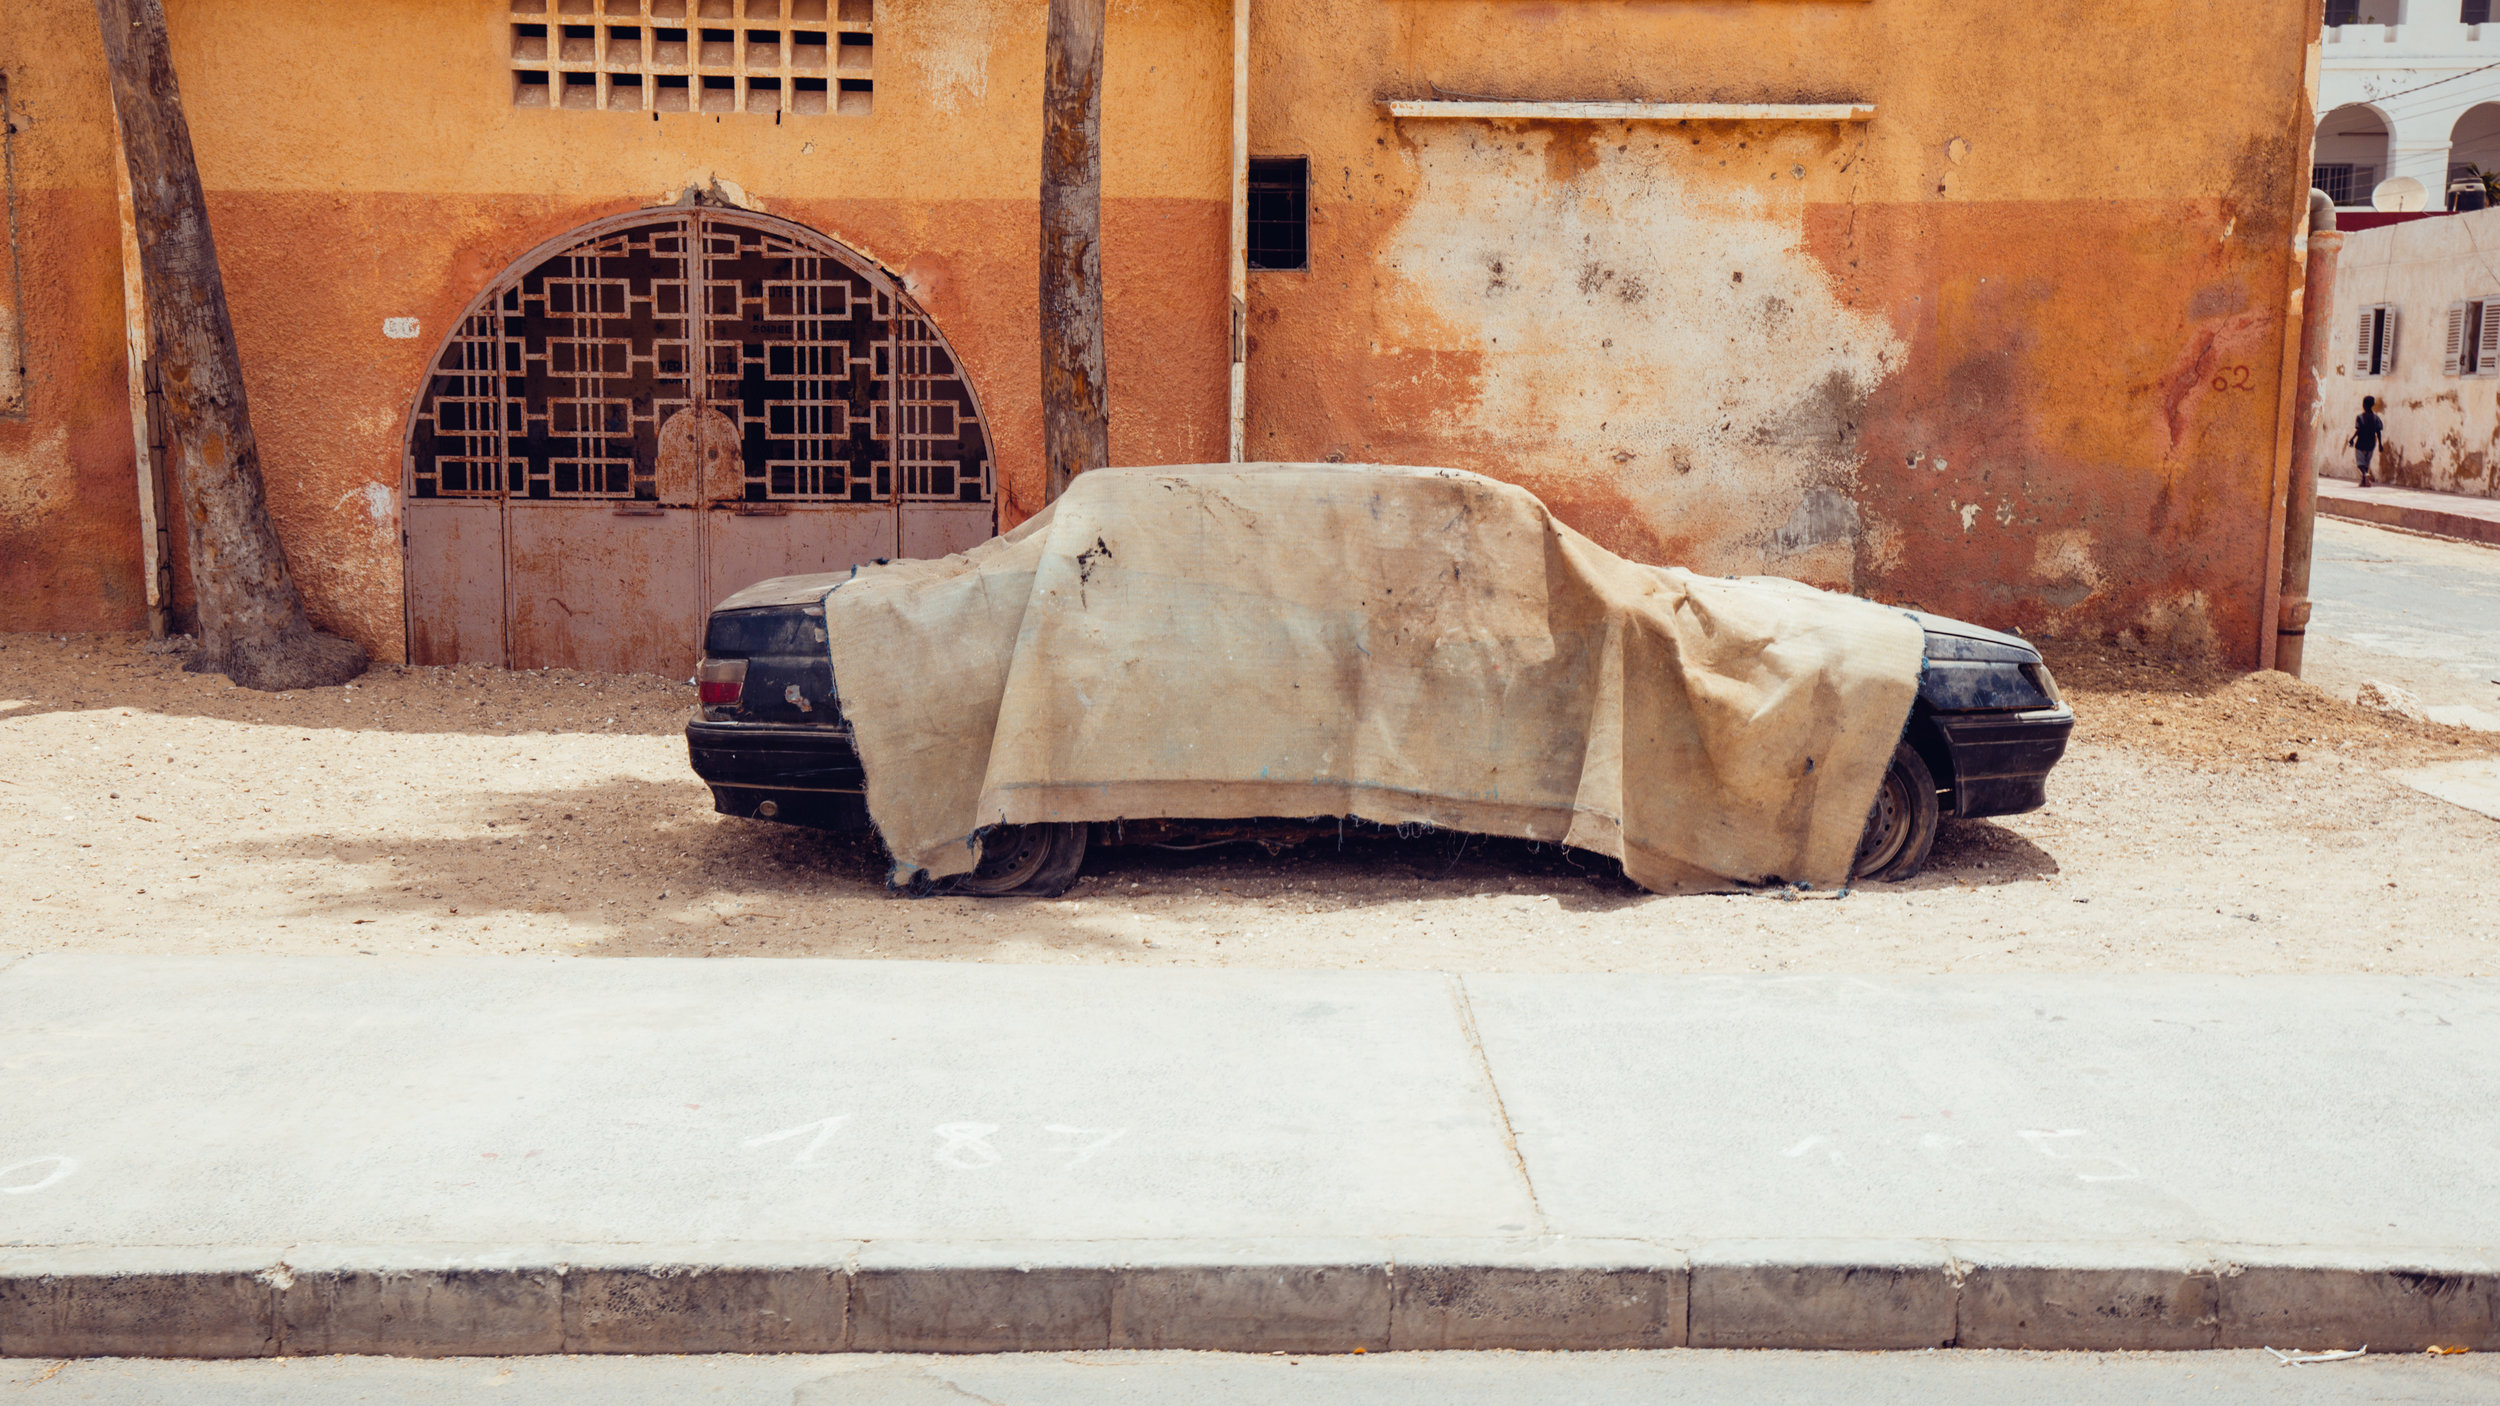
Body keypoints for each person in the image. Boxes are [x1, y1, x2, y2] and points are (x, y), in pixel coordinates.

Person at [2347, 395, 2385, 488]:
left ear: (2364, 405)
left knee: (2360, 463)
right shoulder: (2376, 418)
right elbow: (2378, 432)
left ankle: (2365, 474)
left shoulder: (2360, 417)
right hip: (2371, 443)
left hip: (2361, 443)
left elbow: (2358, 430)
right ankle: (2364, 481)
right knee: (2367, 463)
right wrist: (2380, 444)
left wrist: (2352, 439)